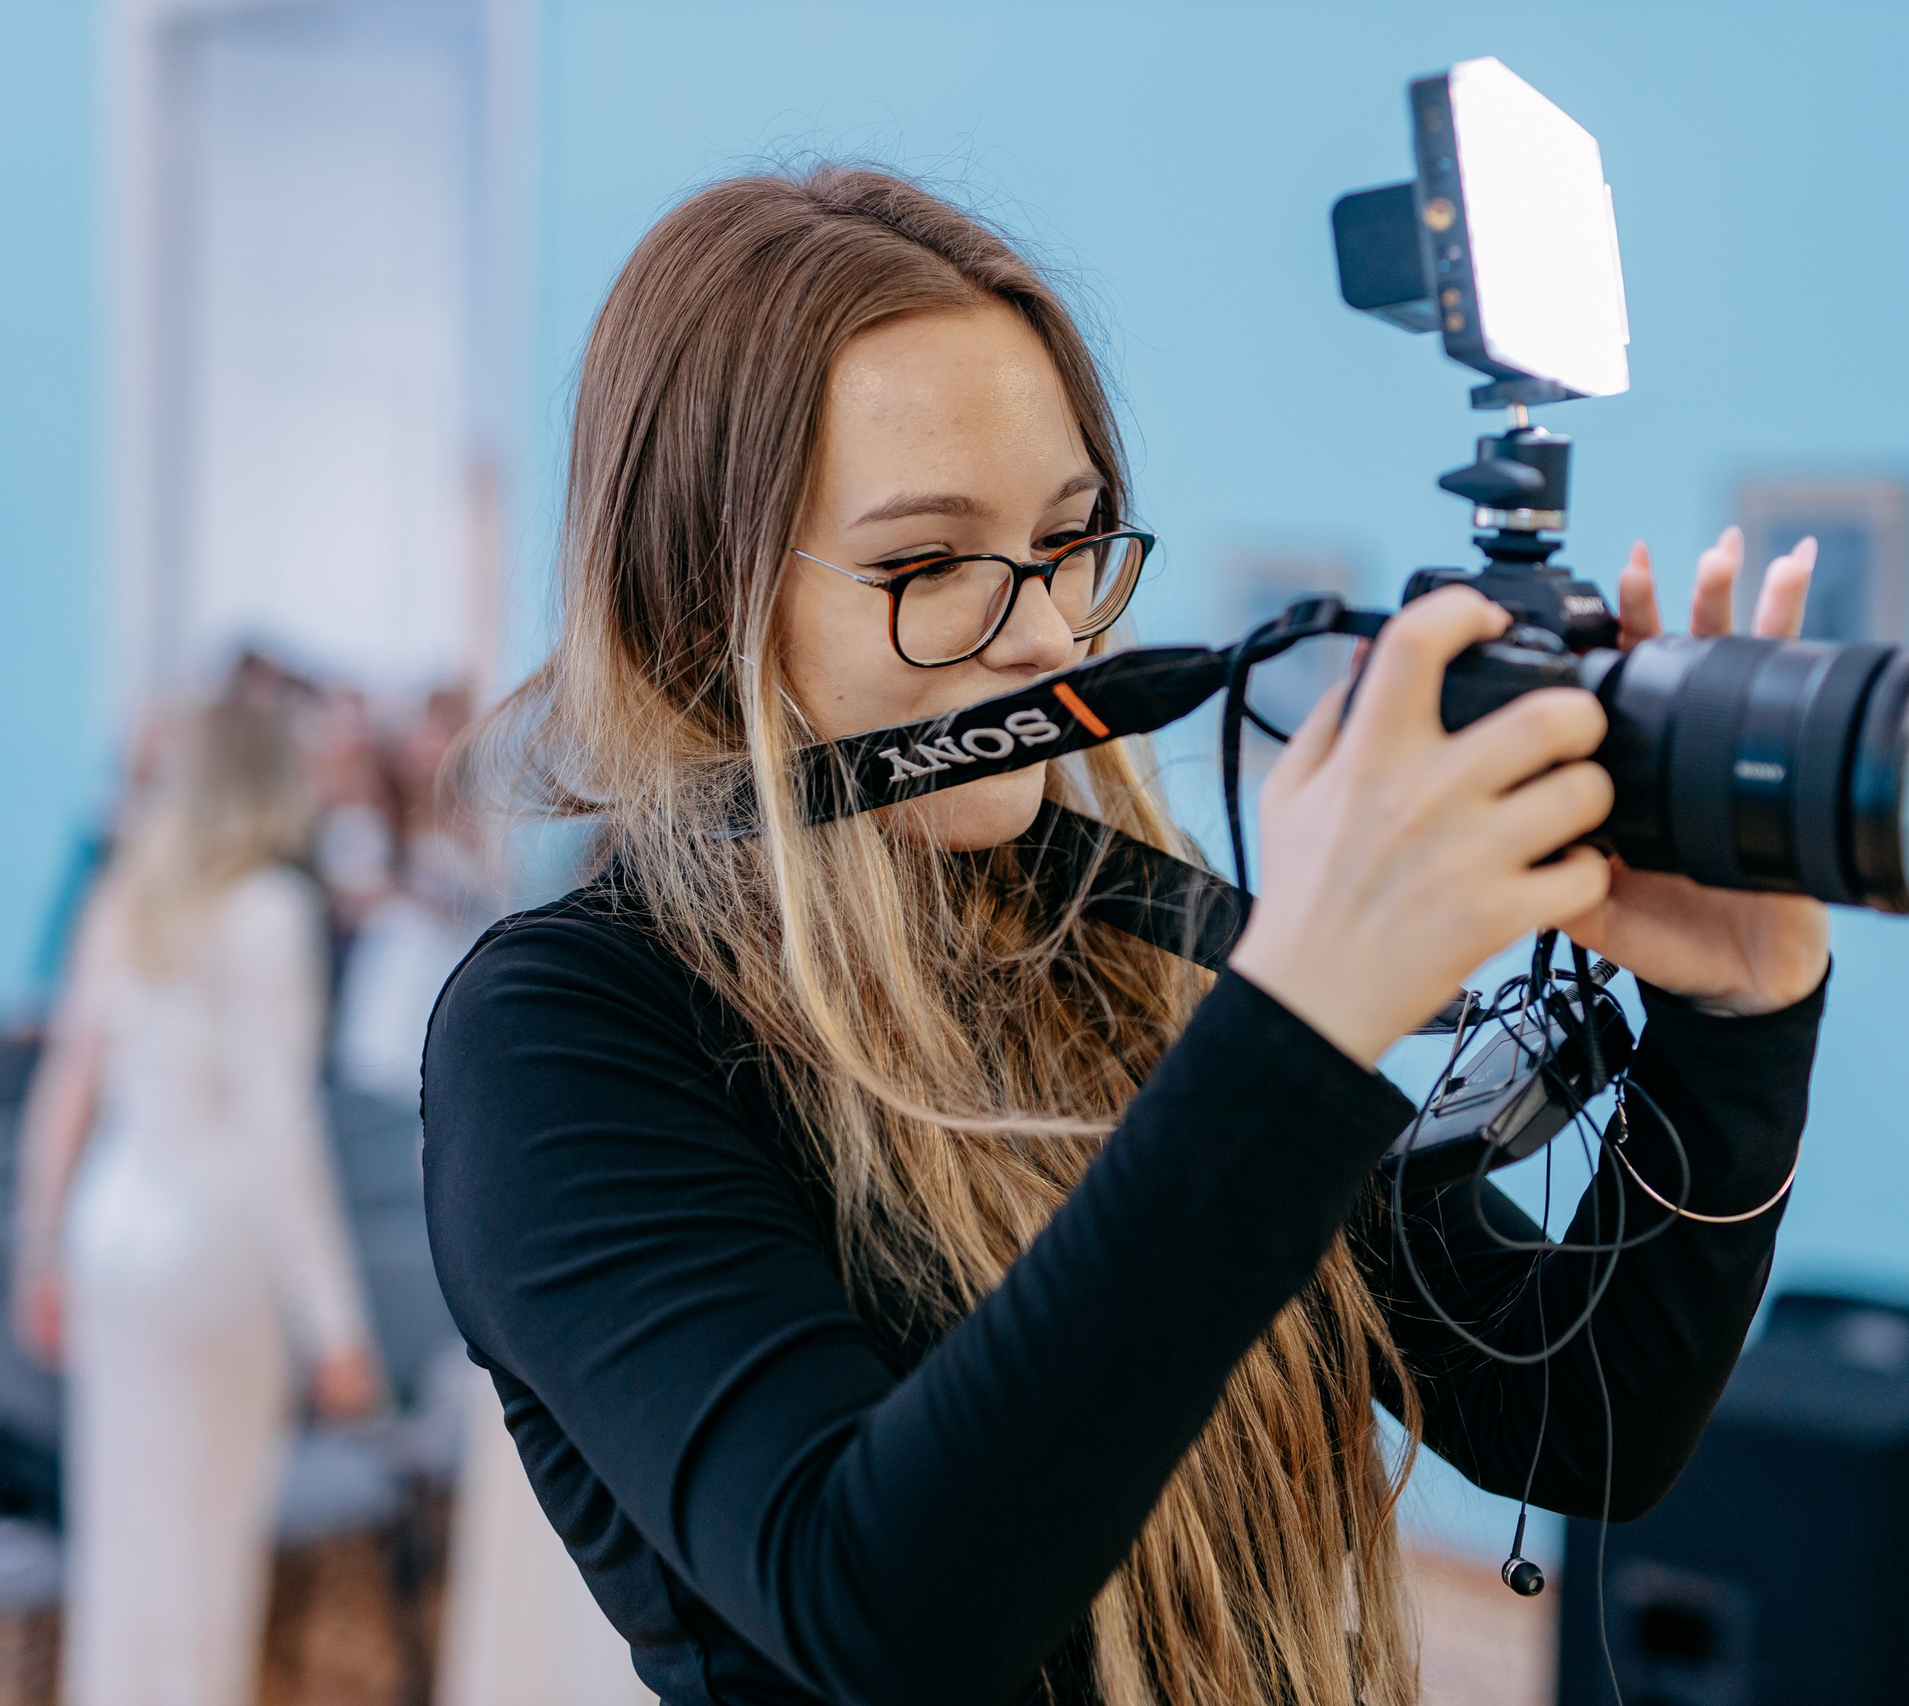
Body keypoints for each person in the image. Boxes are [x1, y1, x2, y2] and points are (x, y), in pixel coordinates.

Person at [423, 168, 1830, 1706]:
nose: (1039, 631)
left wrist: (1738, 1019)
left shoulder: (1124, 943)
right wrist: (1296, 1025)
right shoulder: (571, 1026)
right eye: (927, 565)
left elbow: (1581, 1412)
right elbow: (880, 1605)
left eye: (1069, 537)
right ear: (699, 610)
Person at [13, 699, 381, 1706]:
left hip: (111, 1232)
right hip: (209, 1251)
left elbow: (64, 1090)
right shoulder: (269, 908)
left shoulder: (124, 896)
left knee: (122, 1538)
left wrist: (39, 1249)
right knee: (206, 1540)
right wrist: (336, 1323)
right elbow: (278, 1128)